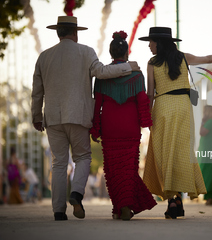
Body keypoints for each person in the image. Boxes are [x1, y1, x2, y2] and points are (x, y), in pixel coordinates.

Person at [31, 16, 141, 221]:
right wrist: (128, 67)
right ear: (75, 33)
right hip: (79, 115)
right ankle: (77, 194)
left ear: (58, 32)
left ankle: (58, 211)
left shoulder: (44, 57)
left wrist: (37, 116)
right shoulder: (86, 52)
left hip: (53, 118)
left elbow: (37, 92)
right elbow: (102, 72)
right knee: (82, 157)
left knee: (58, 163)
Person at [139, 27, 212, 219]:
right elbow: (206, 59)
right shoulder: (182, 57)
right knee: (181, 152)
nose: (149, 45)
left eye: (151, 42)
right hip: (183, 107)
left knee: (165, 153)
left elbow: (150, 93)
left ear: (158, 42)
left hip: (163, 107)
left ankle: (172, 200)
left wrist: (146, 117)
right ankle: (178, 199)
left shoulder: (152, 63)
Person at [90, 31, 157, 220]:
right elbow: (143, 99)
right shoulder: (136, 75)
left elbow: (97, 105)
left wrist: (95, 128)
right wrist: (146, 122)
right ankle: (124, 206)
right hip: (130, 127)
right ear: (127, 53)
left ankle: (120, 207)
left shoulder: (102, 76)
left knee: (112, 170)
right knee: (128, 168)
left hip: (110, 128)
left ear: (111, 53)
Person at [197, 105, 212, 205]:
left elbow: (202, 132)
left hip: (208, 152)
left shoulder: (210, 122)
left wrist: (202, 122)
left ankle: (210, 197)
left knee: (206, 173)